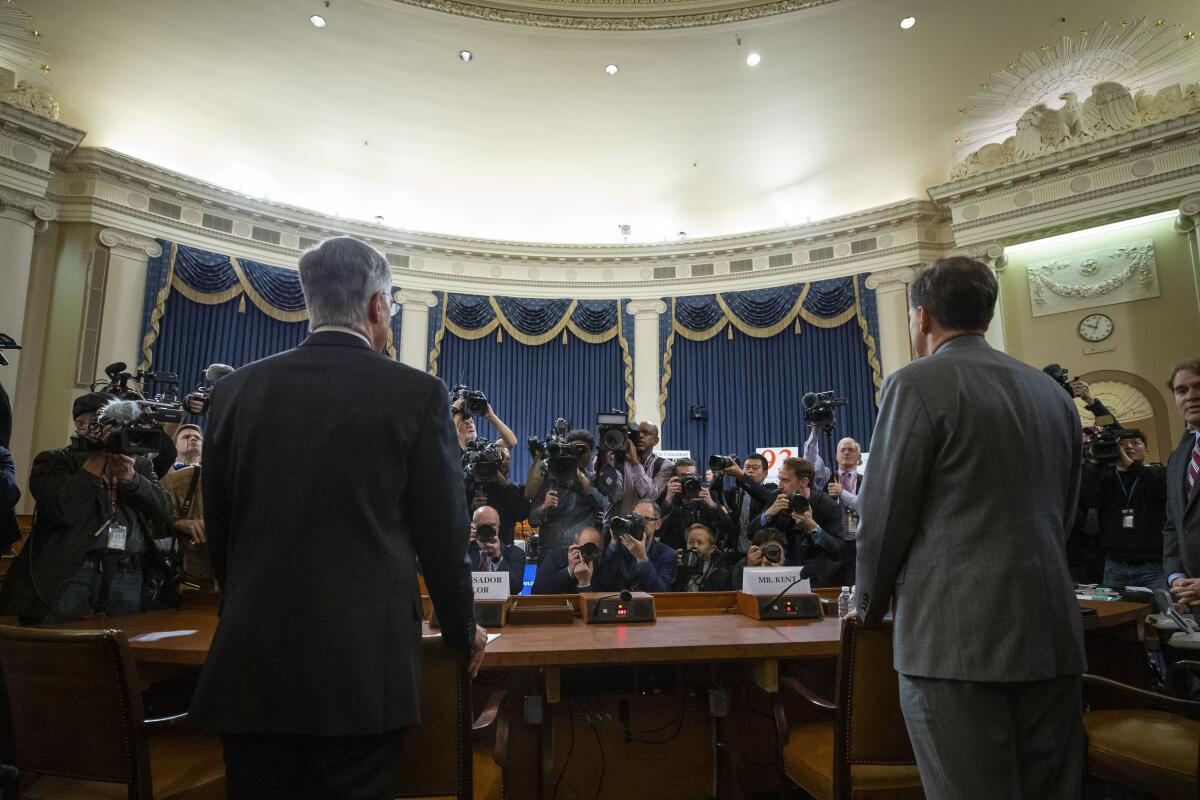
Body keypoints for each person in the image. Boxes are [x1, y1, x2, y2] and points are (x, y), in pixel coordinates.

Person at [187, 237, 485, 800]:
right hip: (361, 672)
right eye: (392, 307)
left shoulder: (232, 393)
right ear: (377, 307)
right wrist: (460, 629)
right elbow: (444, 538)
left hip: (251, 663)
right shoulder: (417, 394)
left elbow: (221, 534)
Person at [855, 256, 1085, 800]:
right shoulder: (1053, 394)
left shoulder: (915, 383)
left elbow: (883, 519)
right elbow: (1065, 513)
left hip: (952, 645)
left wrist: (866, 608)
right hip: (1052, 633)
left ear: (923, 317)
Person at [0, 392, 175, 623]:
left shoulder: (139, 464)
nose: (114, 431)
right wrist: (96, 460)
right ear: (80, 424)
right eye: (102, 422)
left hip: (127, 573)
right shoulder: (54, 460)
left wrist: (132, 480)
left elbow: (165, 510)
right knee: (61, 646)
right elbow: (62, 510)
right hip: (74, 571)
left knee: (120, 645)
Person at [1079, 430, 1168, 591]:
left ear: (1147, 451)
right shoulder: (1106, 479)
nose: (1128, 447)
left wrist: (1129, 464)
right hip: (1115, 566)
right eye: (1121, 444)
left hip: (1154, 567)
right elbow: (1090, 499)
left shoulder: (1159, 473)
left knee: (1162, 614)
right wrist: (1093, 460)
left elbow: (1161, 488)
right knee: (1120, 614)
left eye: (1135, 442)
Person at [749, 457, 844, 587]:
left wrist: (814, 528)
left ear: (803, 481)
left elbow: (838, 550)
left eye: (785, 480)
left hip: (817, 578)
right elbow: (750, 533)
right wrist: (768, 513)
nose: (779, 485)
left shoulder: (828, 505)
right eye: (779, 479)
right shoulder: (776, 497)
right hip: (781, 574)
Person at [527, 428, 605, 556]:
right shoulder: (549, 479)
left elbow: (603, 506)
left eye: (583, 450)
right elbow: (533, 520)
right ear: (567, 451)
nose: (579, 454)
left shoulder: (593, 481)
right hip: (550, 551)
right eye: (575, 450)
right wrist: (544, 506)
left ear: (591, 453)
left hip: (582, 551)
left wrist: (581, 478)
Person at [159, 424, 215, 590]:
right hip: (191, 575)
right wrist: (178, 523)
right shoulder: (174, 479)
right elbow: (157, 515)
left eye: (198, 438)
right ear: (174, 446)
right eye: (186, 437)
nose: (193, 438)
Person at [1163, 359, 1200, 611]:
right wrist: (1176, 577)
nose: (1191, 396)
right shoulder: (1178, 457)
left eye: (1199, 386)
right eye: (1182, 390)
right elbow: (1173, 526)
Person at [592, 500, 676, 592]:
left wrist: (642, 558)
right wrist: (614, 542)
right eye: (636, 518)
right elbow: (603, 583)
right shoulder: (615, 546)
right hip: (616, 602)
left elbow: (661, 592)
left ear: (658, 524)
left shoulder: (667, 554)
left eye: (646, 519)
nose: (640, 523)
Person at [657, 458, 735, 551]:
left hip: (703, 556)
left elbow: (729, 529)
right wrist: (668, 500)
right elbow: (656, 531)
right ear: (674, 478)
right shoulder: (665, 498)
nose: (688, 480)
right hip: (674, 556)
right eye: (683, 476)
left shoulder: (708, 496)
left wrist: (712, 506)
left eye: (691, 476)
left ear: (697, 477)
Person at [465, 439, 530, 546]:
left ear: (510, 462)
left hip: (504, 548)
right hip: (475, 547)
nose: (503, 461)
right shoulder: (473, 486)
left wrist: (505, 486)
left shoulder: (516, 488)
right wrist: (471, 509)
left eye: (507, 458)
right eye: (499, 458)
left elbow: (521, 514)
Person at [714, 453, 776, 554]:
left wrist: (741, 476)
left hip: (762, 553)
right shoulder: (734, 492)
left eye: (755, 468)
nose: (750, 470)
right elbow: (717, 499)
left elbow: (763, 496)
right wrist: (719, 477)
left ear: (765, 474)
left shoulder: (771, 490)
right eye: (746, 467)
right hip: (737, 554)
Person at [467, 505, 525, 594]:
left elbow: (515, 588)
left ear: (498, 526)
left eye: (492, 526)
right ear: (473, 526)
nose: (487, 530)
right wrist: (463, 546)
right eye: (483, 526)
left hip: (502, 606)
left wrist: (497, 557)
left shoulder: (515, 553)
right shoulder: (464, 552)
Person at [531, 526, 605, 594]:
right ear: (575, 546)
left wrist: (585, 583)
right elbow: (537, 592)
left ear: (600, 550)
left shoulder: (602, 564)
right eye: (586, 547)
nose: (590, 552)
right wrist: (568, 571)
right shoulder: (557, 557)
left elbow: (603, 601)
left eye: (594, 549)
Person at [671, 523, 731, 592]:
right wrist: (673, 570)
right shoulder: (679, 572)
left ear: (711, 549)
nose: (694, 546)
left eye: (700, 542)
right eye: (690, 542)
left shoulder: (721, 576)